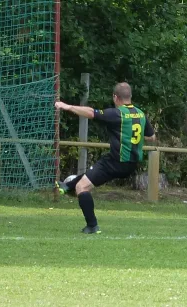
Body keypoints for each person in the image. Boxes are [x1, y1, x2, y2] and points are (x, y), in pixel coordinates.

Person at [54, 82, 156, 234]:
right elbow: (151, 137)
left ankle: (92, 226)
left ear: (115, 97)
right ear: (130, 96)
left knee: (82, 187)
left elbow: (90, 112)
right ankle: (67, 186)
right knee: (89, 176)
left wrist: (67, 106)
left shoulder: (117, 113)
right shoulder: (141, 114)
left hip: (116, 162)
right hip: (131, 164)